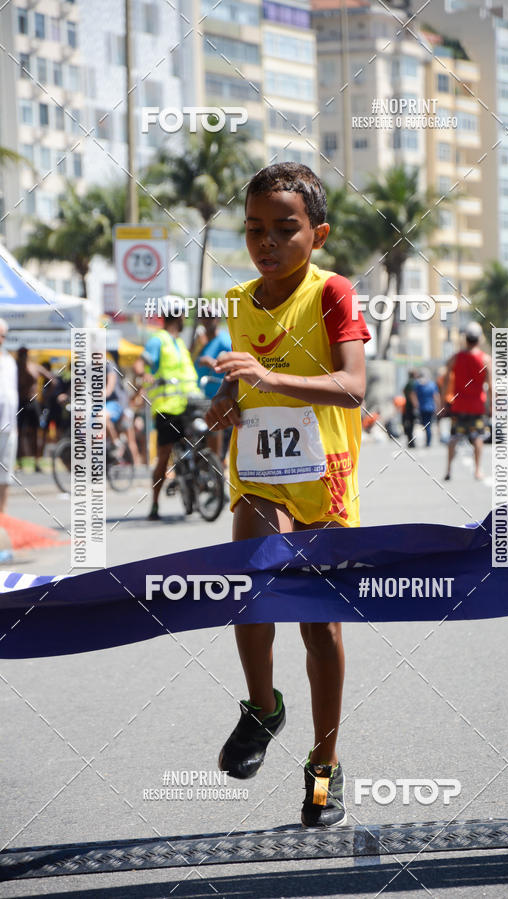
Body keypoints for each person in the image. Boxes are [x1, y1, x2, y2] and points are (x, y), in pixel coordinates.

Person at [205, 162, 370, 828]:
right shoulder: (239, 302)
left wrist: (268, 376)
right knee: (249, 579)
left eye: (283, 228)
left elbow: (353, 385)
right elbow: (242, 386)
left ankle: (323, 770)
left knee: (320, 628)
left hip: (324, 482)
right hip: (260, 476)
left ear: (318, 233)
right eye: (253, 229)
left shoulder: (333, 293)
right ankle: (262, 706)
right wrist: (225, 401)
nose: (265, 241)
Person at [143, 301, 200, 520]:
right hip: (167, 408)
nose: (185, 320)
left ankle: (197, 483)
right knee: (164, 456)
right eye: (183, 316)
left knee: (200, 441)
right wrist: (145, 374)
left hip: (188, 405)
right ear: (178, 317)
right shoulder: (158, 340)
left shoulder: (179, 343)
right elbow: (143, 364)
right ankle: (155, 504)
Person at [442, 322, 492, 481]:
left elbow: (446, 376)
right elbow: (491, 385)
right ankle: (477, 470)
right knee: (477, 437)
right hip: (477, 406)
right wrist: (492, 405)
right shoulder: (485, 359)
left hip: (459, 404)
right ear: (479, 339)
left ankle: (449, 470)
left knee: (454, 437)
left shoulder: (456, 357)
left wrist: (444, 399)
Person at [192, 312, 232, 458]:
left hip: (219, 402)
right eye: (203, 316)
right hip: (201, 401)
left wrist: (215, 363)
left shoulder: (225, 341)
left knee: (217, 454)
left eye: (211, 316)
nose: (207, 320)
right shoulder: (201, 342)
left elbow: (234, 366)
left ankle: (219, 473)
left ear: (218, 318)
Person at [16, 347, 51, 472]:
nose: (23, 357)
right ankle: (20, 462)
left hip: (33, 402)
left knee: (37, 432)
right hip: (20, 402)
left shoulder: (34, 367)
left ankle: (37, 461)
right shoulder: (16, 368)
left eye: (24, 354)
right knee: (19, 432)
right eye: (21, 354)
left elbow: (51, 379)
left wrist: (45, 395)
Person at [0, 320, 18, 513]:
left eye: (4, 335)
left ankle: (2, 517)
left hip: (8, 424)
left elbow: (12, 394)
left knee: (5, 473)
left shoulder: (9, 361)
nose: (2, 339)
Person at [411, 368, 440, 448]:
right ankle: (428, 441)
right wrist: (438, 406)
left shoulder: (417, 384)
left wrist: (415, 405)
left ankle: (428, 441)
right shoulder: (432, 384)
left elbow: (413, 395)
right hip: (430, 407)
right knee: (428, 425)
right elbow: (436, 396)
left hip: (422, 408)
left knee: (425, 425)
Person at [402, 370, 418, 448]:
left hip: (408, 406)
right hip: (411, 407)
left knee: (409, 424)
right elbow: (412, 395)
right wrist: (416, 405)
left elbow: (404, 391)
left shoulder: (409, 383)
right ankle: (411, 442)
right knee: (410, 425)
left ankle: (410, 441)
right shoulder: (412, 383)